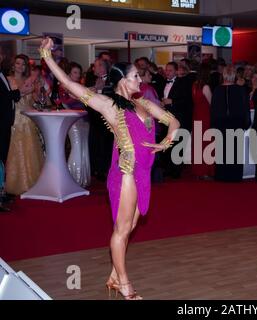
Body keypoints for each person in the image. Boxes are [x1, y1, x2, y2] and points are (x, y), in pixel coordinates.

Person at [39, 37, 179, 299]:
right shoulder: (110, 105)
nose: (141, 79)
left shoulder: (145, 103)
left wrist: (166, 142)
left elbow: (174, 121)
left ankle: (115, 275)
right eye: (136, 75)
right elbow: (70, 85)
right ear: (123, 80)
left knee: (131, 225)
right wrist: (47, 57)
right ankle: (125, 284)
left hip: (144, 172)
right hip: (125, 171)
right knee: (122, 229)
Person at [5, 54, 44, 195]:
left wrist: (38, 92)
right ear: (13, 65)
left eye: (23, 64)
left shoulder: (30, 81)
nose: (20, 66)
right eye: (18, 63)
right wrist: (21, 93)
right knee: (14, 152)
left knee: (30, 152)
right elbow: (6, 100)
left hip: (28, 119)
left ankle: (32, 183)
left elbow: (34, 102)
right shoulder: (8, 80)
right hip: (14, 119)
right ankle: (13, 185)